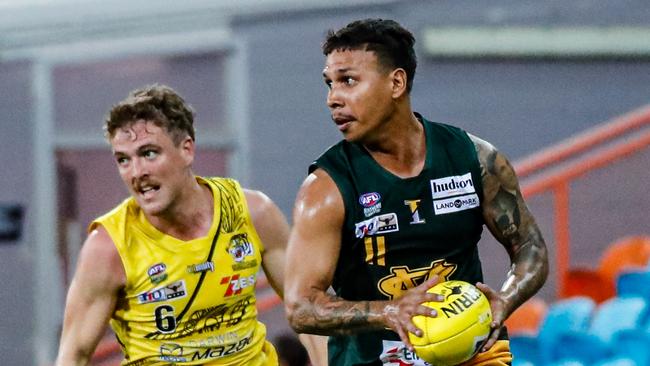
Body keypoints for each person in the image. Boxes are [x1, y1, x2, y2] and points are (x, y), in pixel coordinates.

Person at [284, 18, 549, 365]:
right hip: (374, 359)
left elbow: (531, 247)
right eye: (329, 84)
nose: (333, 98)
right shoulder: (325, 188)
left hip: (472, 355)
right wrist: (390, 311)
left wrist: (506, 299)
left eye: (348, 81)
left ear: (396, 82)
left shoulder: (475, 158)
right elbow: (300, 307)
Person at [55, 84, 326, 366]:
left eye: (149, 153)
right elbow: (73, 355)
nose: (137, 173)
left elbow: (308, 313)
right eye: (124, 159)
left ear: (186, 150)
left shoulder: (252, 213)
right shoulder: (108, 247)